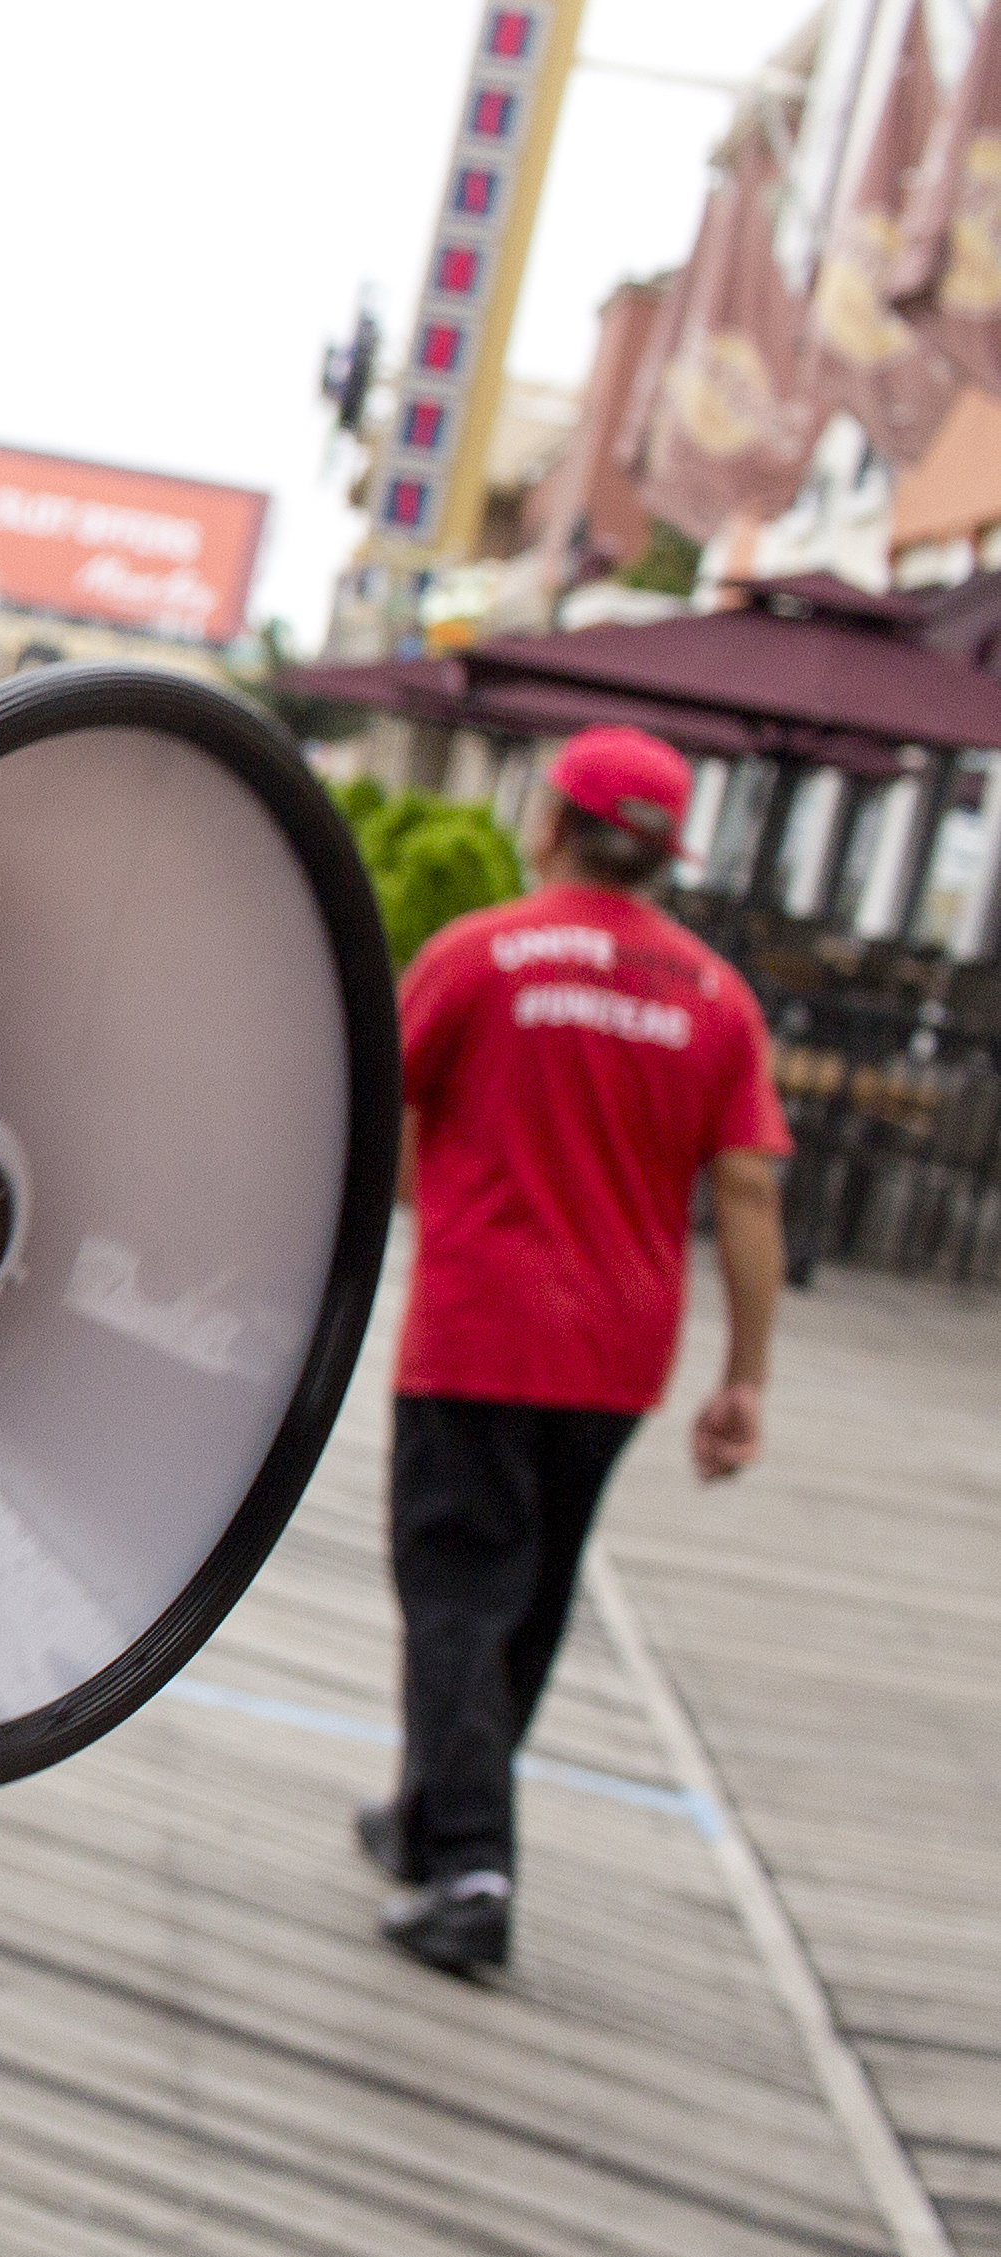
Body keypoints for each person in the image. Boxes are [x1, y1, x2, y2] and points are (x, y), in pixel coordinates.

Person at [361, 725, 785, 1977]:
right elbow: (751, 1193)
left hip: (480, 1330)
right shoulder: (717, 997)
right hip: (618, 1349)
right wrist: (746, 1377)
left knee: (453, 1592)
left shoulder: (479, 955)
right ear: (665, 858)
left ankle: (475, 1871)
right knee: (526, 1601)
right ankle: (433, 1820)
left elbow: (384, 1107)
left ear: (548, 825)